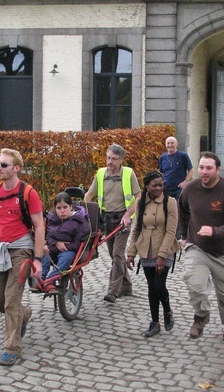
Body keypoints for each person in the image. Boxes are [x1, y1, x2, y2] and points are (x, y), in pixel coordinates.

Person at [0, 148, 45, 366]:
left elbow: (39, 226)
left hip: (21, 251)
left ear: (16, 168)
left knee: (11, 300)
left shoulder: (28, 193)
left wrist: (37, 259)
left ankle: (12, 348)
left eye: (4, 165)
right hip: (0, 249)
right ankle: (23, 315)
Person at [178, 151, 224, 343]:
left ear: (218, 169)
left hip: (223, 252)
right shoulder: (190, 189)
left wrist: (216, 231)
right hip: (198, 247)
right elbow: (183, 211)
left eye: (209, 168)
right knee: (194, 283)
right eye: (201, 167)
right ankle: (201, 316)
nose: (204, 172)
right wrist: (184, 235)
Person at [84, 144, 141, 304]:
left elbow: (138, 197)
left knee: (117, 253)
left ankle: (113, 291)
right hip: (106, 219)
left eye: (114, 159)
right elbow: (89, 194)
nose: (110, 162)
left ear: (121, 160)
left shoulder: (129, 174)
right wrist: (81, 209)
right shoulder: (101, 173)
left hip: (123, 219)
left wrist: (128, 215)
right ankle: (127, 286)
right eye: (108, 158)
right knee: (114, 254)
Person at [126, 171, 180, 338]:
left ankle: (168, 310)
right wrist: (131, 253)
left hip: (165, 247)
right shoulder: (140, 202)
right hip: (145, 248)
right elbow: (136, 229)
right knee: (151, 287)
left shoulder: (170, 202)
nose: (158, 188)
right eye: (154, 185)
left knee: (159, 285)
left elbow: (171, 231)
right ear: (147, 186)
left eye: (161, 185)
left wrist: (162, 256)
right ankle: (155, 322)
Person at [41, 191, 91, 292]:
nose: (62, 211)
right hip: (54, 247)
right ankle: (41, 277)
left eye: (65, 207)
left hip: (69, 249)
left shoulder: (79, 222)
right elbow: (48, 236)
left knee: (67, 257)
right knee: (44, 253)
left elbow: (78, 244)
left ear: (71, 207)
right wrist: (55, 243)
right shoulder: (52, 218)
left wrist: (63, 246)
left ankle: (51, 280)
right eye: (59, 208)